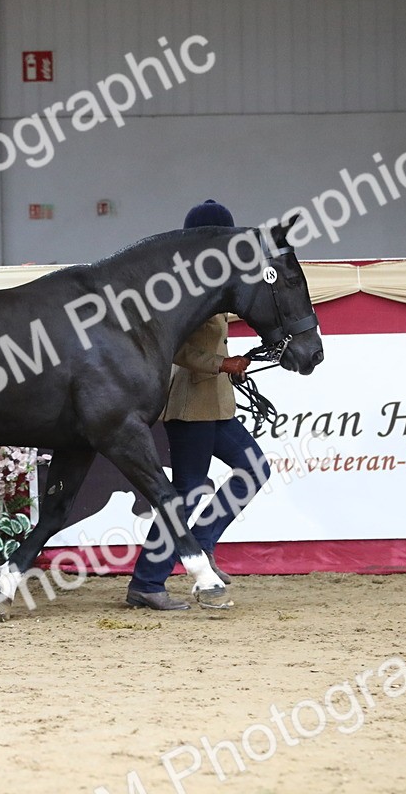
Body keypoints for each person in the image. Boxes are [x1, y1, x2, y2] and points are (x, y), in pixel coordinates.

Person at [125, 199, 272, 611]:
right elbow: (175, 349)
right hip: (191, 404)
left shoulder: (215, 279)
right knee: (186, 492)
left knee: (254, 468)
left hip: (217, 403)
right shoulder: (183, 287)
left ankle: (203, 543)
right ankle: (147, 581)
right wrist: (221, 363)